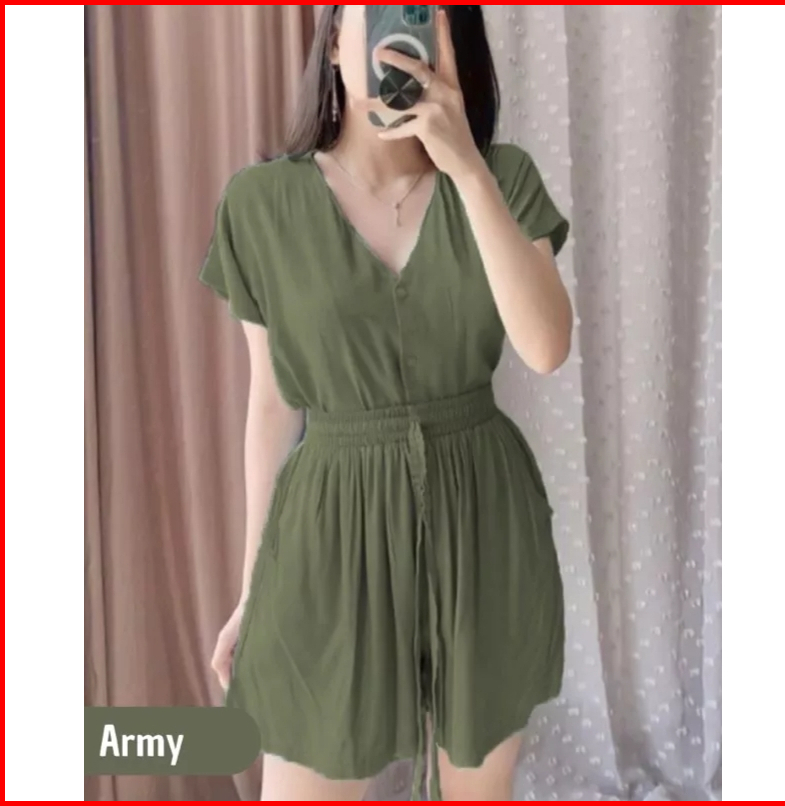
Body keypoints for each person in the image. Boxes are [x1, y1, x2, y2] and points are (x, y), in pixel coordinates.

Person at [199, 5, 572, 801]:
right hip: (329, 532)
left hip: (482, 524)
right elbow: (271, 409)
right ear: (335, 38)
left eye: (420, 15)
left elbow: (545, 347)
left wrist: (465, 166)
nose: (395, 36)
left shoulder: (502, 179)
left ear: (453, 43)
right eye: (372, 13)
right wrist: (253, 590)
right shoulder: (260, 205)